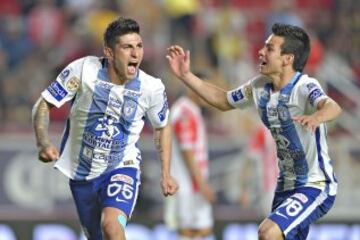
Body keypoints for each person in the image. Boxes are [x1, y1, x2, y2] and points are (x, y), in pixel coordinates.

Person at [166, 23, 342, 240]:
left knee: (267, 233)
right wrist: (186, 76)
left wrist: (316, 117)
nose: (260, 52)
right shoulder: (259, 87)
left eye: (269, 49)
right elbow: (223, 100)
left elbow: (332, 106)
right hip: (284, 186)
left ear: (288, 58)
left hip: (314, 185)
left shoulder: (305, 86)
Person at [32, 17, 178, 240]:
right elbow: (43, 104)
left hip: (122, 166)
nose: (135, 54)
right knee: (99, 236)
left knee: (112, 226)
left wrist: (166, 172)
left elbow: (162, 127)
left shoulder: (151, 87)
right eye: (127, 47)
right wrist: (43, 142)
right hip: (82, 175)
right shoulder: (83, 71)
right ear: (109, 53)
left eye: (139, 46)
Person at [164, 72, 217, 240]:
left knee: (201, 231)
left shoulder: (191, 110)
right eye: (203, 88)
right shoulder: (184, 111)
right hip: (186, 184)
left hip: (192, 183)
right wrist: (202, 184)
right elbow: (187, 151)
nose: (206, 92)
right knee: (189, 231)